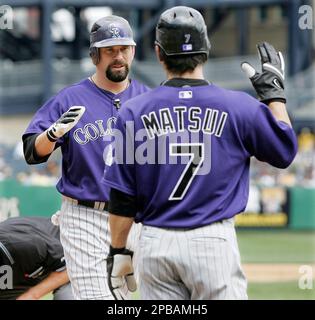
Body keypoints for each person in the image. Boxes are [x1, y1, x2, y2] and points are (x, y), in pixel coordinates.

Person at [103, 6, 298, 300]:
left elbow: (123, 198)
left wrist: (119, 250)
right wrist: (274, 97)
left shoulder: (133, 111)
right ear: (206, 49)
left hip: (156, 243)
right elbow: (284, 151)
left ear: (158, 52)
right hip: (212, 241)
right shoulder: (239, 106)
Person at [22, 15, 150, 300]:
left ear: (133, 51)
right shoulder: (70, 98)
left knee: (128, 298)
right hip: (86, 216)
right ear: (95, 56)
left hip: (137, 219)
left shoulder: (148, 99)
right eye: (109, 50)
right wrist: (53, 134)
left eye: (123, 49)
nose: (118, 57)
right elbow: (32, 152)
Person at [0, 216, 73, 300]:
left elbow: (70, 265)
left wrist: (32, 295)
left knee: (65, 297)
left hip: (76, 257)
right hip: (37, 270)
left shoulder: (24, 246)